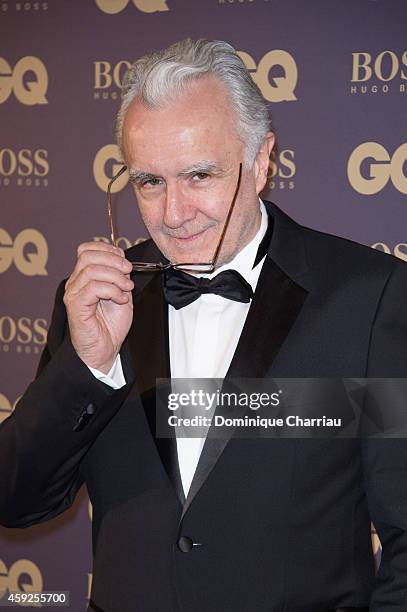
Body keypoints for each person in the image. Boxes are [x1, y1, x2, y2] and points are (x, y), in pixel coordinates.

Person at [1, 38, 407, 612]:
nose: (173, 213)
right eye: (149, 182)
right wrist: (88, 365)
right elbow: (17, 502)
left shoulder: (368, 299)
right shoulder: (96, 301)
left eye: (199, 176)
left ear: (262, 160)